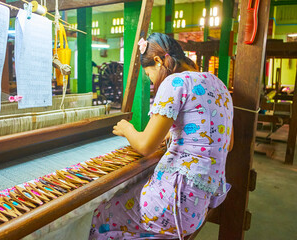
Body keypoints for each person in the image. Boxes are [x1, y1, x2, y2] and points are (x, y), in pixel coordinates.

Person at [89, 33, 234, 240]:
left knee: (99, 214)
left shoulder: (174, 82)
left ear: (158, 61)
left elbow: (146, 145)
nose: (151, 80)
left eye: (149, 75)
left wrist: (127, 129)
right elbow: (226, 144)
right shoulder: (218, 85)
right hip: (199, 206)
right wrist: (178, 134)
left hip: (173, 205)